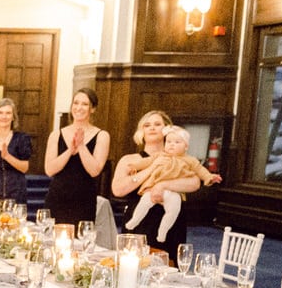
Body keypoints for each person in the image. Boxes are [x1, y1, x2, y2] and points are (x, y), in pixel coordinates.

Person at [109, 110, 201, 255]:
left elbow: (195, 183)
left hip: (170, 221)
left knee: (168, 268)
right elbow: (118, 190)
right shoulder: (130, 160)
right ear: (141, 131)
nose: (152, 128)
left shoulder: (181, 158)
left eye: (157, 124)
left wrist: (163, 185)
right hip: (140, 221)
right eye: (147, 125)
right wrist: (152, 167)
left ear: (167, 130)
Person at [122, 127, 221, 242]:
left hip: (173, 192)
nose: (171, 145)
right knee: (144, 202)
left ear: (186, 147)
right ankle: (135, 220)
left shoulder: (190, 160)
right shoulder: (160, 155)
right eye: (168, 142)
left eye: (177, 142)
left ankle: (163, 231)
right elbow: (146, 162)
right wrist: (134, 166)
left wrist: (209, 177)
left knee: (173, 210)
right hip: (153, 188)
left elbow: (200, 170)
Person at [43, 87, 109, 225]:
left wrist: (81, 146)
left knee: (80, 242)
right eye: (76, 103)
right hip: (57, 196)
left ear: (93, 109)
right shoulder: (56, 134)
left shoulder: (102, 135)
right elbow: (49, 170)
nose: (79, 108)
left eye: (84, 104)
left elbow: (94, 170)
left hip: (83, 198)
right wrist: (69, 150)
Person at [0, 96, 31, 205]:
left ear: (13, 117)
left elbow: (25, 168)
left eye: (8, 113)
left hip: (17, 191)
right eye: (0, 112)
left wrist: (7, 156)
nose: (4, 116)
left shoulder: (21, 138)